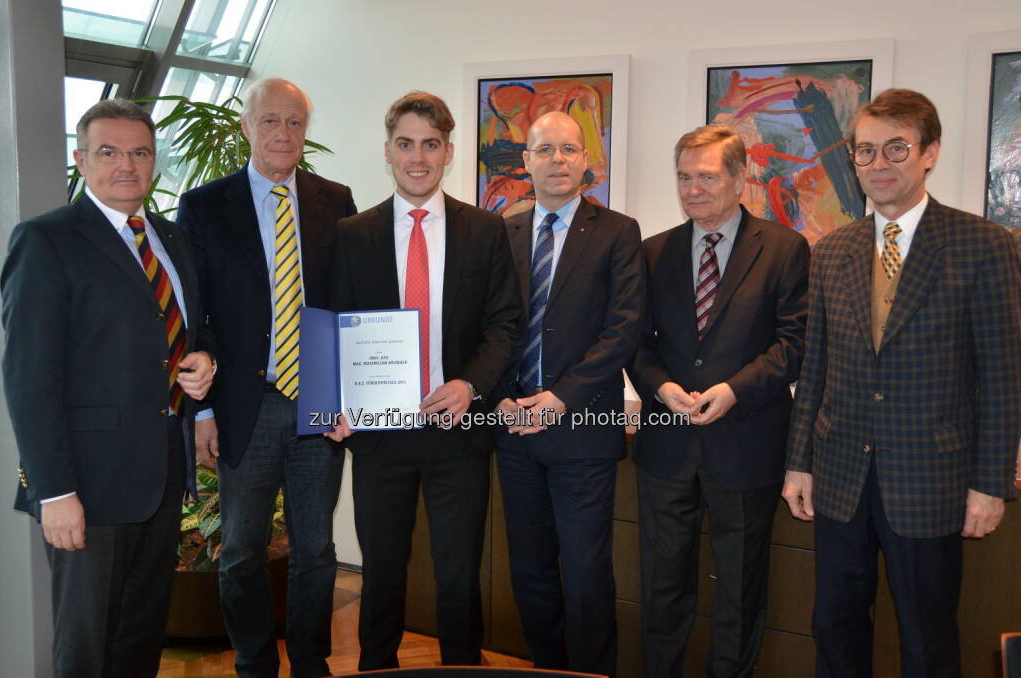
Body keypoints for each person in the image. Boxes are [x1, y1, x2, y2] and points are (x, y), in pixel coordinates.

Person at [783, 88, 1021, 677]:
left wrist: (990, 483)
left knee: (927, 636)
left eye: (896, 148)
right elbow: (815, 366)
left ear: (929, 152)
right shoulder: (833, 250)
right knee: (834, 626)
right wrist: (799, 463)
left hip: (931, 479)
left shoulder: (983, 245)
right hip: (840, 475)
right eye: (865, 151)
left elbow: (1002, 376)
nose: (879, 164)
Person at [2, 98, 213, 677]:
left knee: (141, 636)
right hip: (86, 488)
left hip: (163, 477)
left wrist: (204, 360)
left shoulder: (174, 241)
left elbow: (194, 328)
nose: (127, 165)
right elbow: (29, 378)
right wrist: (54, 492)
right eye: (109, 152)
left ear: (154, 161)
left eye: (140, 152)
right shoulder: (46, 241)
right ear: (81, 158)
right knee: (85, 645)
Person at [325, 91, 520, 670]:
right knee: (382, 569)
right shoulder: (352, 233)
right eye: (406, 144)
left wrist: (470, 386)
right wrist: (330, 406)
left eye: (430, 145)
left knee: (458, 571)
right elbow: (332, 326)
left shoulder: (485, 231)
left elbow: (505, 324)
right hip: (379, 432)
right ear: (388, 151)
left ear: (449, 152)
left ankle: (462, 667)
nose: (418, 157)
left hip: (456, 426)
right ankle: (375, 668)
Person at [176, 78, 357, 678]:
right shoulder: (205, 205)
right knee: (241, 554)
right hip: (239, 406)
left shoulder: (337, 200)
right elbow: (192, 312)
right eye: (270, 121)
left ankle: (309, 661)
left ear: (307, 130)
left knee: (316, 550)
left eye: (295, 123)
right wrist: (199, 411)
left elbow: (350, 305)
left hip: (318, 405)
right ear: (247, 125)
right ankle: (254, 662)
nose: (283, 134)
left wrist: (351, 394)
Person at [628, 125, 809, 677]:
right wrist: (660, 387)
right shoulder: (652, 252)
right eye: (684, 178)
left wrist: (734, 390)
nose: (693, 190)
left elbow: (794, 344)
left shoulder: (784, 249)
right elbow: (634, 342)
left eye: (706, 177)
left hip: (746, 445)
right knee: (662, 589)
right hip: (666, 448)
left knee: (739, 591)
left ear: (740, 178)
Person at [491, 111, 645, 677]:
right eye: (545, 149)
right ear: (525, 161)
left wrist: (558, 399)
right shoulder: (501, 230)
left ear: (587, 162)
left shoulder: (618, 231)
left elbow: (623, 329)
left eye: (569, 149)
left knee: (585, 570)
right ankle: (546, 667)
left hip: (581, 432)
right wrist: (502, 397)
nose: (558, 160)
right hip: (512, 431)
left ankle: (590, 673)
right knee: (529, 571)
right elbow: (491, 327)